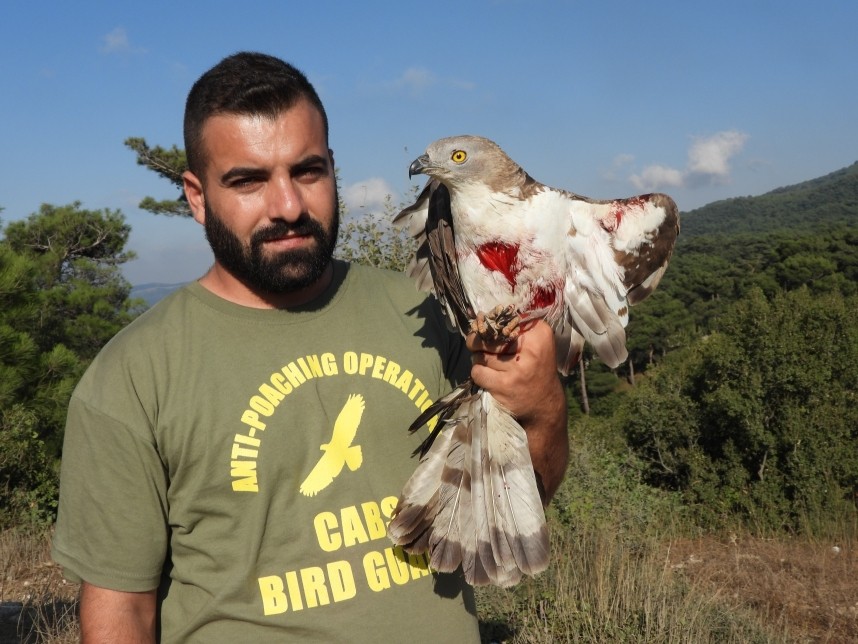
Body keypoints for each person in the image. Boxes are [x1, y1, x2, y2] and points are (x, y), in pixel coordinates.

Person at [51, 51, 568, 643]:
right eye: (247, 180)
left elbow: (524, 493)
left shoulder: (428, 313)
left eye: (307, 171)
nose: (288, 206)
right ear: (196, 197)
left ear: (333, 169)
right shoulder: (131, 377)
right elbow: (122, 610)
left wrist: (545, 405)